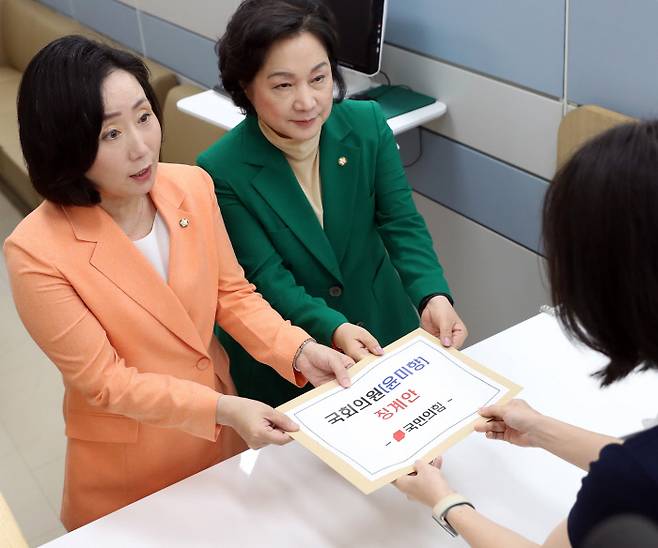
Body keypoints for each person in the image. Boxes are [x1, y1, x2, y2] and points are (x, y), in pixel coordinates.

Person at [3, 35, 354, 531]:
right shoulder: (36, 251)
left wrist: (298, 351)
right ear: (63, 141)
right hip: (130, 466)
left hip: (218, 442)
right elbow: (106, 383)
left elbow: (231, 294)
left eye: (144, 117)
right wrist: (223, 407)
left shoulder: (190, 185)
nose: (142, 146)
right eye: (110, 135)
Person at [394, 120, 658, 547]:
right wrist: (540, 429)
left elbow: (637, 477)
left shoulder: (628, 484)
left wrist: (444, 502)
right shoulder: (635, 471)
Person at [198, 0, 468, 407]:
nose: (307, 102)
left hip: (381, 328)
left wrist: (432, 295)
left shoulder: (367, 125)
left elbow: (401, 223)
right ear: (246, 87)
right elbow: (268, 279)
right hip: (296, 357)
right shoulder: (220, 169)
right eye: (283, 85)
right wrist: (333, 328)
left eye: (319, 78)